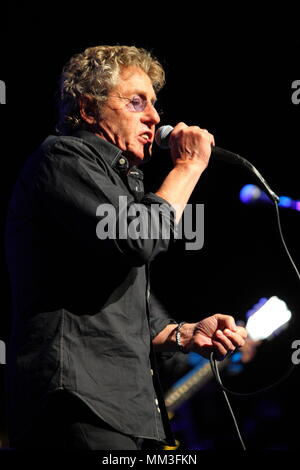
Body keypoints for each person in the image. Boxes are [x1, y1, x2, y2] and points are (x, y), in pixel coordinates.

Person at [4, 45, 247, 450]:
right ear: (87, 109)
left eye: (154, 104)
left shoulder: (119, 184)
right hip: (78, 401)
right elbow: (139, 238)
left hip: (124, 408)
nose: (154, 117)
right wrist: (188, 167)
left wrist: (182, 334)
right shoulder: (63, 157)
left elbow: (116, 311)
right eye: (136, 102)